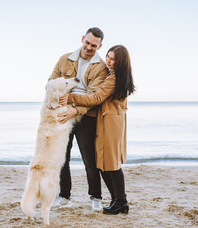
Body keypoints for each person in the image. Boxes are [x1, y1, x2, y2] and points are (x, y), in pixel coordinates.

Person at [59, 45, 136, 214]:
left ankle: (121, 201)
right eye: (108, 57)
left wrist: (69, 97)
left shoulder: (113, 79)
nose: (108, 61)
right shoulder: (116, 76)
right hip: (111, 121)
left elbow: (96, 97)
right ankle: (118, 200)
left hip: (110, 123)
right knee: (106, 163)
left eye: (113, 59)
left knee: (111, 164)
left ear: (121, 61)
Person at [48, 27, 110, 211]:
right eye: (87, 43)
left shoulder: (101, 67)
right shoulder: (64, 59)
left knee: (89, 159)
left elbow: (93, 97)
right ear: (83, 39)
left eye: (94, 45)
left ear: (100, 46)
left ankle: (96, 197)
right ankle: (64, 195)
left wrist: (74, 109)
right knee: (62, 157)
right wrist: (62, 105)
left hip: (86, 116)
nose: (89, 47)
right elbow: (51, 83)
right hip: (62, 114)